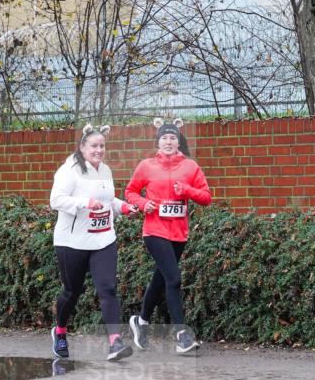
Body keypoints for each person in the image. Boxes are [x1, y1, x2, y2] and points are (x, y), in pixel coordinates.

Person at [50, 123, 138, 361]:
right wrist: (84, 203)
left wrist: (123, 207)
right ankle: (60, 331)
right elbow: (56, 200)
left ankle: (115, 343)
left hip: (103, 239)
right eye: (94, 146)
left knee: (108, 289)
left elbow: (107, 199)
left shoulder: (105, 170)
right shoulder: (68, 171)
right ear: (82, 147)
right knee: (72, 291)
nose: (99, 150)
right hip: (72, 242)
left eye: (102, 146)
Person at [125, 118, 211, 354]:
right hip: (154, 231)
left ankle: (140, 322)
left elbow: (206, 196)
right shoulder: (147, 165)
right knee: (173, 279)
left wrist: (187, 191)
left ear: (179, 141)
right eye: (164, 137)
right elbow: (130, 191)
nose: (169, 141)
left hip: (179, 233)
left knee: (160, 278)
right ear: (158, 141)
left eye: (173, 137)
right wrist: (144, 204)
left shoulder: (191, 167)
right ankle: (182, 335)